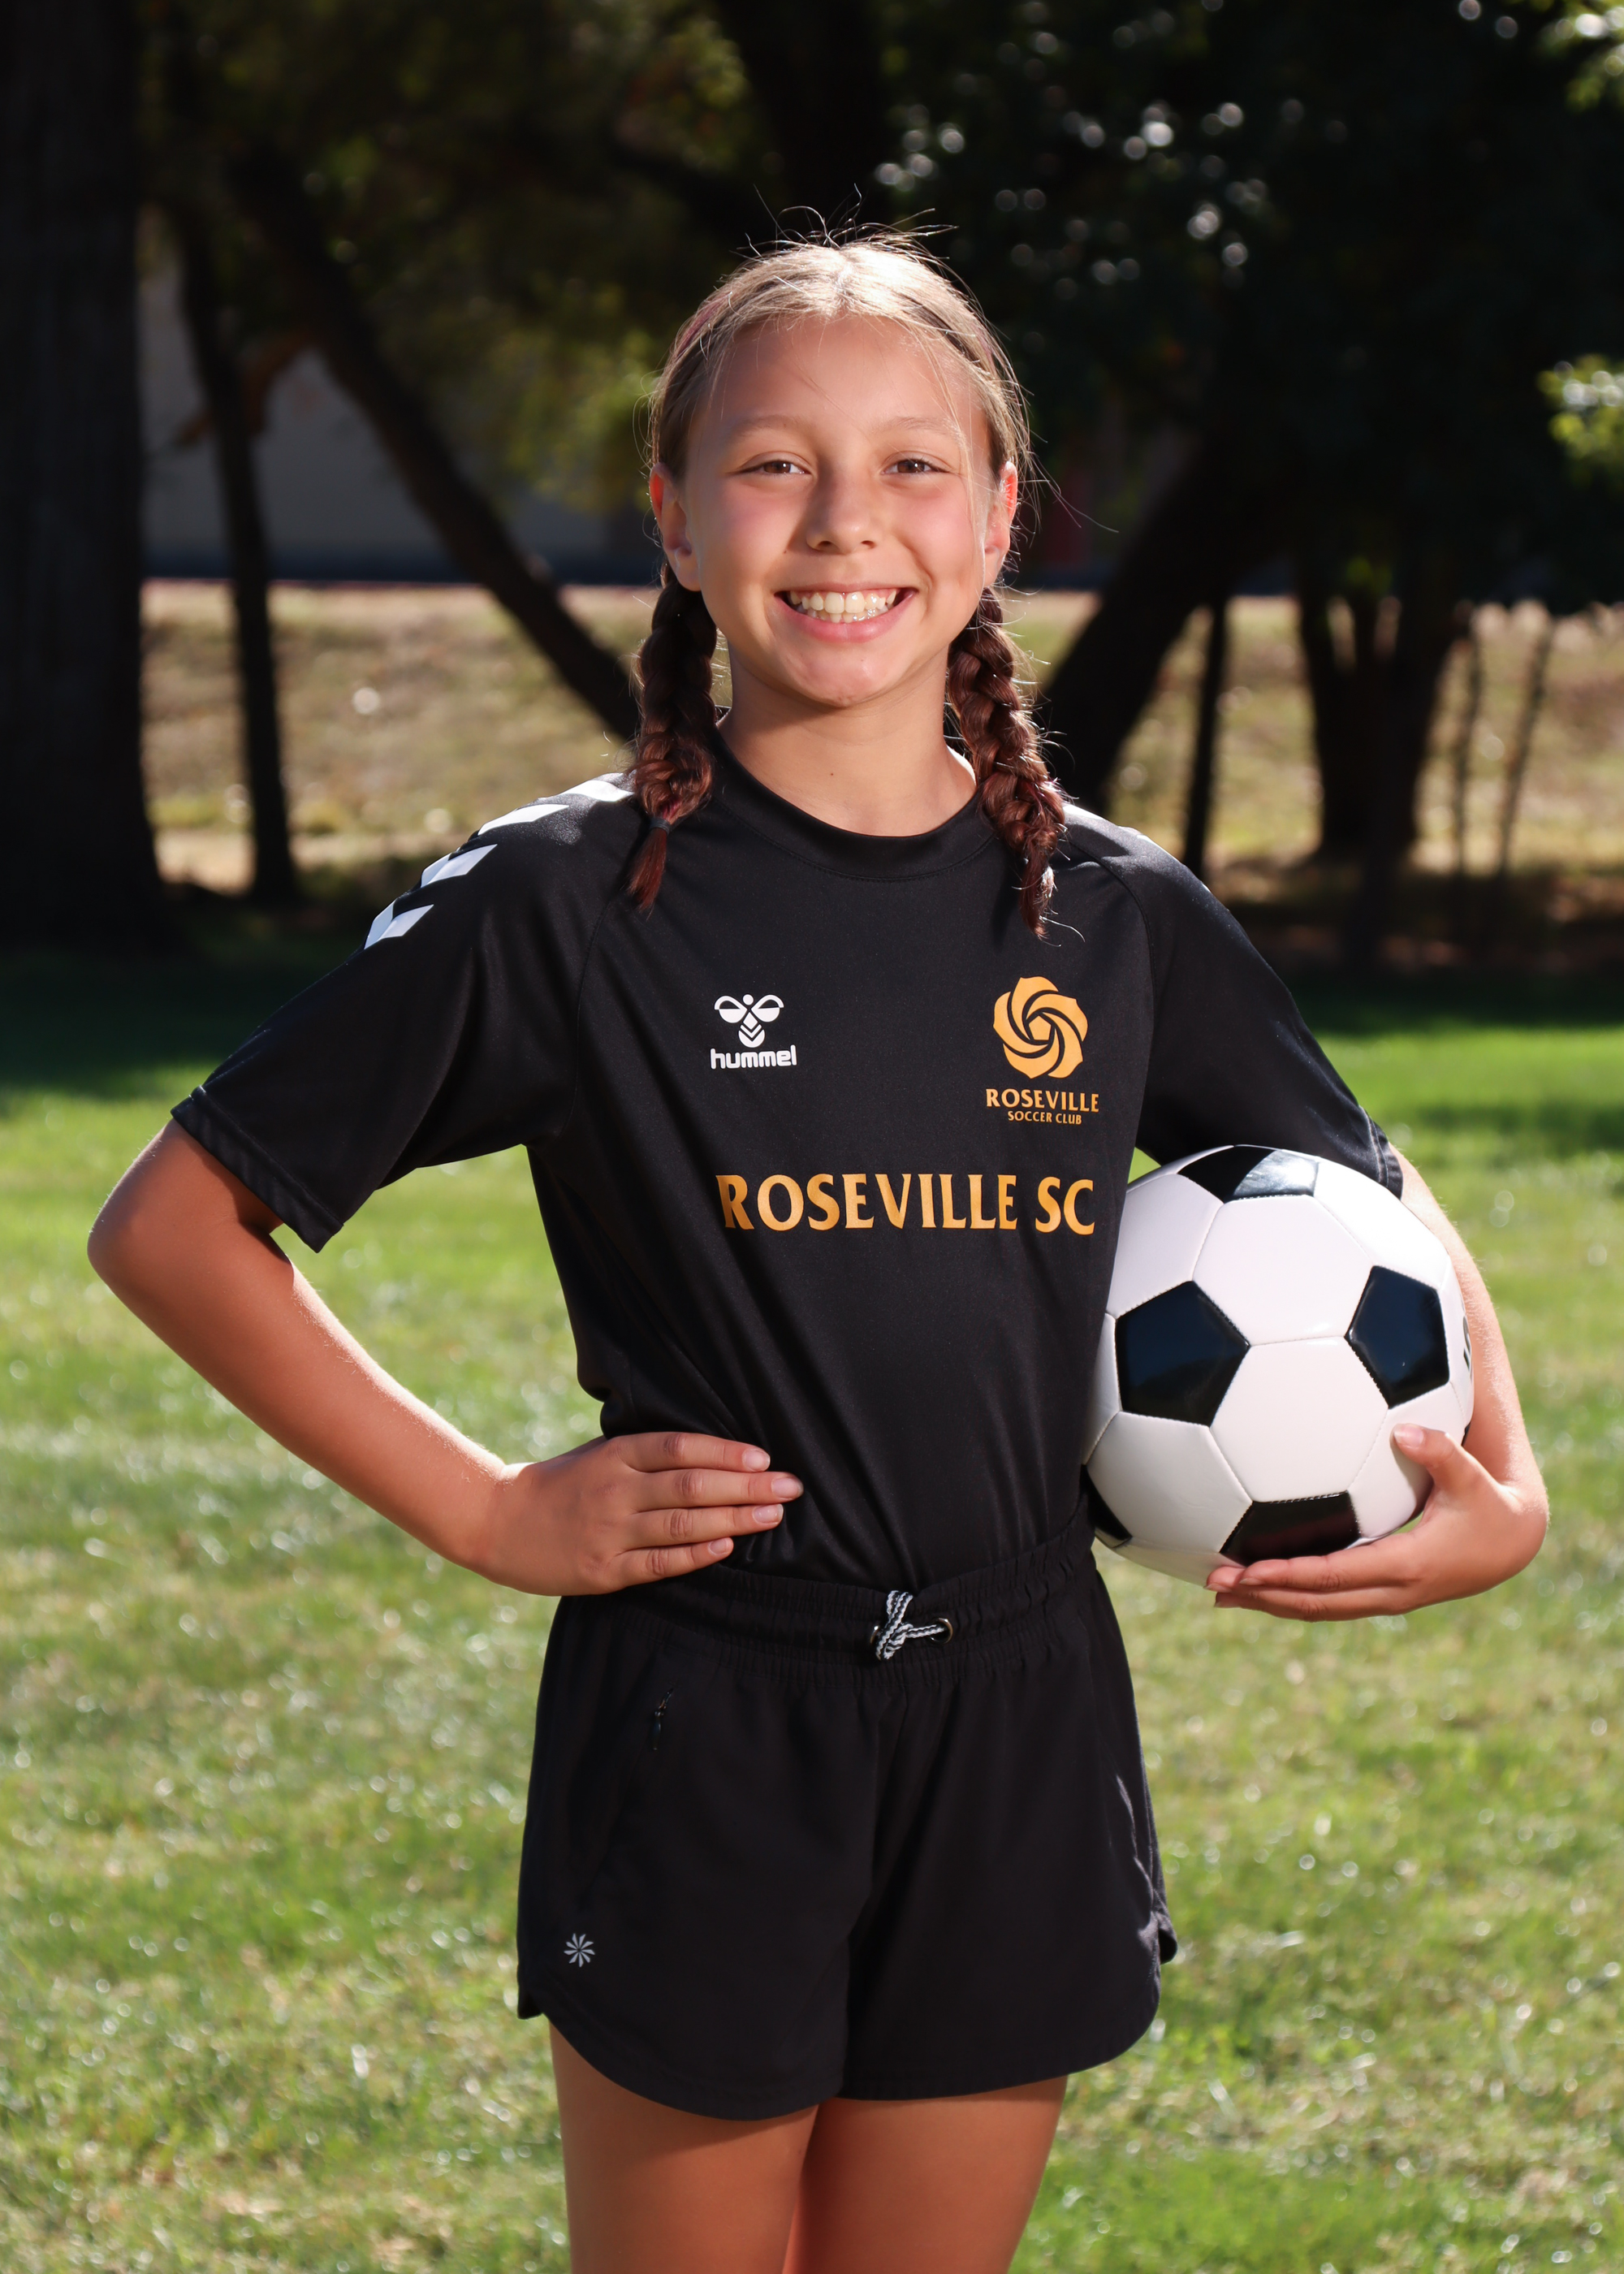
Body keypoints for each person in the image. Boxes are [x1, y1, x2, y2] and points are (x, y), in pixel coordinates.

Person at [89, 237, 1547, 2274]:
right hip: (708, 1708)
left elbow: (1359, 1186)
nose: (847, 522)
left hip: (1018, 1707)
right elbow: (174, 1223)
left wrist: (1507, 1482)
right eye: (774, 464)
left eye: (913, 465)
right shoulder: (571, 899)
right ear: (674, 519)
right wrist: (488, 1509)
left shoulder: (1109, 915)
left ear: (1001, 517)